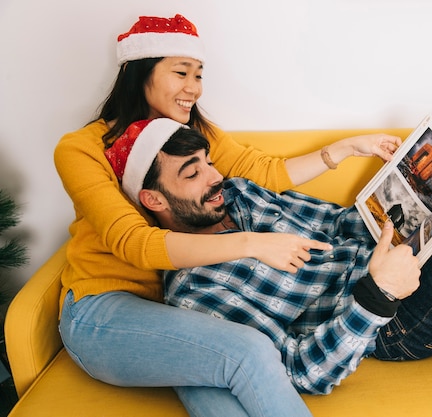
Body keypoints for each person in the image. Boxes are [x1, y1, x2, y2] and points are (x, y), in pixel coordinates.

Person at [104, 110, 432, 395]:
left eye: (208, 161)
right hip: (393, 320)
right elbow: (301, 370)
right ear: (153, 200)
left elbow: (332, 224)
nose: (216, 178)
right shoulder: (197, 292)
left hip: (386, 247)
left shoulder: (238, 195)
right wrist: (375, 295)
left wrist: (398, 195)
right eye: (192, 175)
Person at [54, 14, 402, 417]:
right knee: (249, 351)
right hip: (105, 309)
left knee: (225, 392)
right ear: (140, 72)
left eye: (199, 74)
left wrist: (341, 150)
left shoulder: (189, 133)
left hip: (176, 313)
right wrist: (255, 243)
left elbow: (267, 172)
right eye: (181, 72)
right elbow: (135, 243)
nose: (194, 88)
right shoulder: (81, 148)